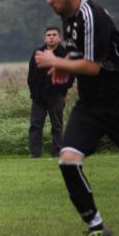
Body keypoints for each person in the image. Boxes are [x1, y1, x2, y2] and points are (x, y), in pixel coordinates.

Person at [35, 0, 119, 236]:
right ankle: (96, 226)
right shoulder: (67, 15)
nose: (49, 0)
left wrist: (55, 62)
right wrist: (65, 69)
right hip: (90, 104)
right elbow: (79, 57)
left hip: (118, 101)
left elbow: (92, 66)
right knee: (68, 160)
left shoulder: (91, 15)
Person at [27, 26, 74, 157]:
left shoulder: (64, 54)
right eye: (49, 35)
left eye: (54, 35)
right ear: (45, 38)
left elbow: (70, 76)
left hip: (56, 96)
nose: (51, 37)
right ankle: (35, 153)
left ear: (59, 38)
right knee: (35, 126)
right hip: (38, 97)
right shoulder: (38, 53)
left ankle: (57, 151)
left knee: (57, 125)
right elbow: (31, 75)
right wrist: (34, 93)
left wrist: (62, 91)